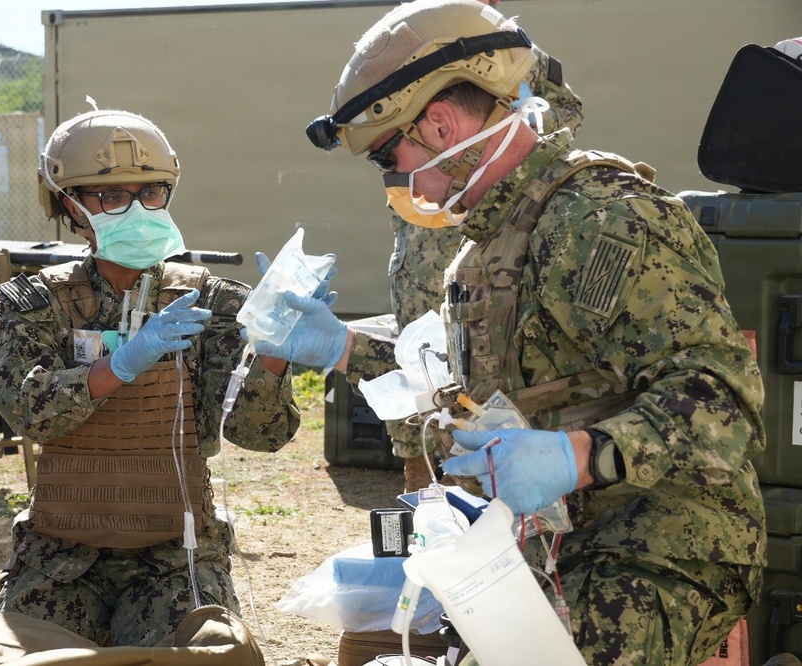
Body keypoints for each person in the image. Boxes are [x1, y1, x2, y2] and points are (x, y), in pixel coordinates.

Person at [261, 1, 766, 663]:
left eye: (390, 155)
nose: (394, 180)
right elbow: (452, 387)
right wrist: (344, 347)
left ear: (441, 125)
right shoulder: (482, 254)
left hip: (658, 546)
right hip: (553, 547)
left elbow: (723, 400)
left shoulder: (604, 219)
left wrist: (575, 456)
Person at [0, 107, 301, 647]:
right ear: (70, 206)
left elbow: (259, 434)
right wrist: (119, 366)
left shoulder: (214, 304)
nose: (135, 208)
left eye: (150, 193)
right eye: (111, 196)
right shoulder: (35, 303)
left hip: (174, 556)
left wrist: (274, 354)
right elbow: (24, 410)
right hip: (60, 553)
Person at [387, 0, 584, 492]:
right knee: (420, 360)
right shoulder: (402, 48)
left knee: (485, 367)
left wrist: (497, 126)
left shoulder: (510, 52)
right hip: (421, 248)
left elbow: (562, 116)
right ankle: (421, 477)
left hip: (488, 237)